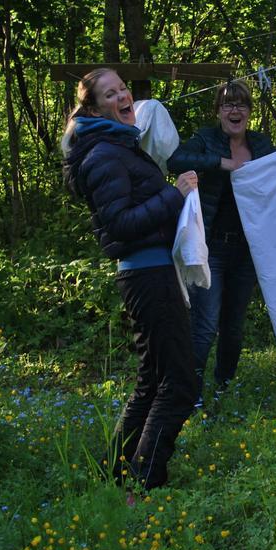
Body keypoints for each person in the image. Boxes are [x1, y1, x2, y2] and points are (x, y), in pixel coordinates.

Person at [62, 67, 199, 491]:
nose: (123, 96)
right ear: (94, 108)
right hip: (147, 274)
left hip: (149, 273)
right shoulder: (104, 154)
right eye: (110, 94)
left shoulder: (117, 145)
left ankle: (112, 472)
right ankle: (143, 483)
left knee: (153, 380)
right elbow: (120, 225)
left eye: (123, 88)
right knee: (179, 383)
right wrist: (173, 195)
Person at [168, 80, 276, 402]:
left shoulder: (260, 144)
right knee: (205, 325)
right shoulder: (206, 139)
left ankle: (223, 390)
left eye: (241, 104)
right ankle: (190, 395)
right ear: (218, 111)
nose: (234, 110)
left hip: (248, 251)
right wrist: (222, 163)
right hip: (211, 248)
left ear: (249, 111)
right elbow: (175, 160)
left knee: (233, 326)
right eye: (228, 104)